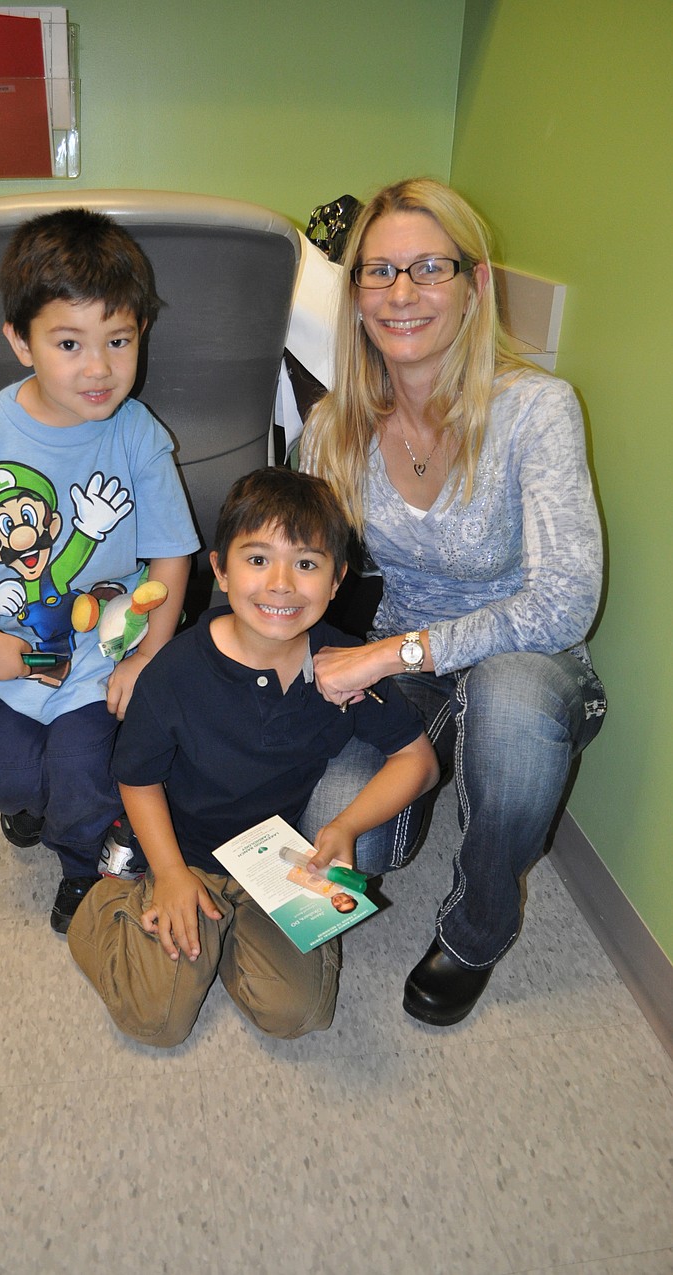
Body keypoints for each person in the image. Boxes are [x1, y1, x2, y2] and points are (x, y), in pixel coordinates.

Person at [301, 177, 607, 1026]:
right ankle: (428, 777)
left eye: (428, 268)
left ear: (475, 286)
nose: (401, 294)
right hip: (403, 666)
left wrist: (390, 655)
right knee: (345, 834)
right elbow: (298, 574)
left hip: (525, 662)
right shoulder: (333, 425)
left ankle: (479, 924)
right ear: (355, 294)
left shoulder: (536, 410)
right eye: (378, 272)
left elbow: (564, 604)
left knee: (507, 716)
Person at [67, 467, 439, 1046]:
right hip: (180, 854)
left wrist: (344, 827)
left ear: (338, 579)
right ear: (219, 568)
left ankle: (224, 935)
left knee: (298, 1015)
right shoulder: (175, 674)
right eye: (258, 559)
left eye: (308, 564)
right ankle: (108, 904)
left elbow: (418, 761)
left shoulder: (344, 664)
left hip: (274, 858)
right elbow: (137, 780)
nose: (282, 584)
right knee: (157, 1020)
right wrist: (168, 876)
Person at [0, 208, 199, 933]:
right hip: (8, 651)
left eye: (119, 340)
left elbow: (172, 552)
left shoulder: (139, 436)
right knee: (14, 779)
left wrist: (151, 652)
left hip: (98, 653)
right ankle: (16, 797)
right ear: (20, 341)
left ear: (141, 334)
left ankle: (81, 868)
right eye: (69, 343)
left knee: (80, 783)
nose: (99, 367)